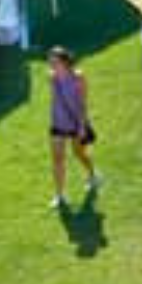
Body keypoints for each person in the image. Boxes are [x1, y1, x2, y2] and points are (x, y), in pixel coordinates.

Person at [47, 47, 100, 207]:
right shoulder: (51, 77)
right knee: (57, 159)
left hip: (75, 123)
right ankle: (60, 195)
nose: (52, 64)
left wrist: (82, 125)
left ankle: (93, 175)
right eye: (50, 61)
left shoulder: (78, 77)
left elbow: (83, 103)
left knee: (78, 153)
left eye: (55, 61)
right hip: (57, 123)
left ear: (64, 61)